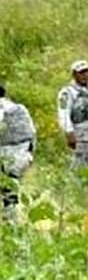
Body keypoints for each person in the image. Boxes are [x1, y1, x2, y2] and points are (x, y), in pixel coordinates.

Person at [57, 60, 88, 174]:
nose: (85, 75)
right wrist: (69, 133)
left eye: (86, 72)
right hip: (81, 138)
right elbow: (63, 113)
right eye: (81, 73)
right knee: (81, 171)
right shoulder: (67, 92)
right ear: (74, 75)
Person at [0, 84, 36, 213]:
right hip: (21, 155)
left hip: (6, 155)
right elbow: (32, 133)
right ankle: (11, 221)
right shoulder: (20, 109)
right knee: (11, 190)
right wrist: (30, 155)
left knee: (8, 190)